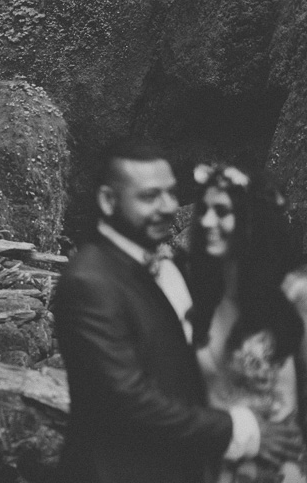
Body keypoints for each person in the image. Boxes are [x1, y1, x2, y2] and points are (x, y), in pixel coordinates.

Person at [51, 139, 302, 483]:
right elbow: (127, 401)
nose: (169, 207)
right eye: (150, 196)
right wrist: (239, 429)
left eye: (172, 193)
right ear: (108, 201)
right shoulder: (90, 280)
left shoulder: (172, 272)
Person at [188, 163, 307, 482]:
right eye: (204, 210)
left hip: (273, 471)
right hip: (208, 463)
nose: (206, 221)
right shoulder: (196, 299)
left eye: (222, 211)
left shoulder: (289, 305)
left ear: (250, 220)